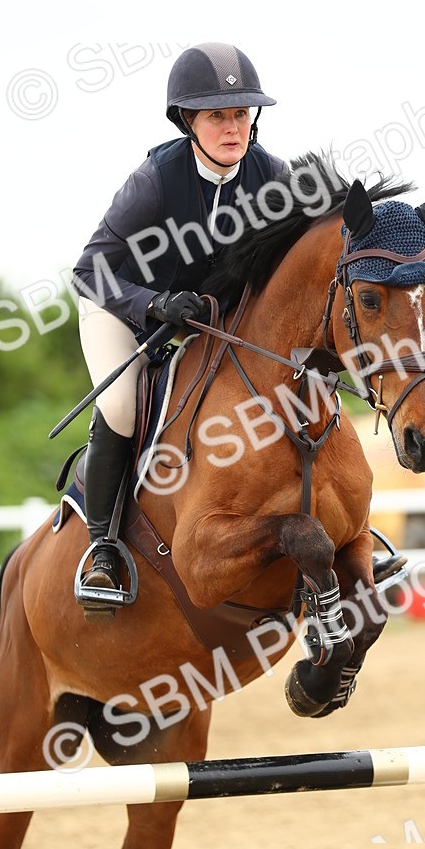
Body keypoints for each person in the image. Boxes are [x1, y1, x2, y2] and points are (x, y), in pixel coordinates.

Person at [71, 42, 287, 611]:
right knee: (122, 406)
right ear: (187, 121)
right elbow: (88, 271)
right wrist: (153, 304)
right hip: (122, 308)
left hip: (208, 319)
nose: (233, 127)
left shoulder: (272, 176)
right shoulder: (155, 180)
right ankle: (102, 546)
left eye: (241, 113)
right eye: (217, 116)